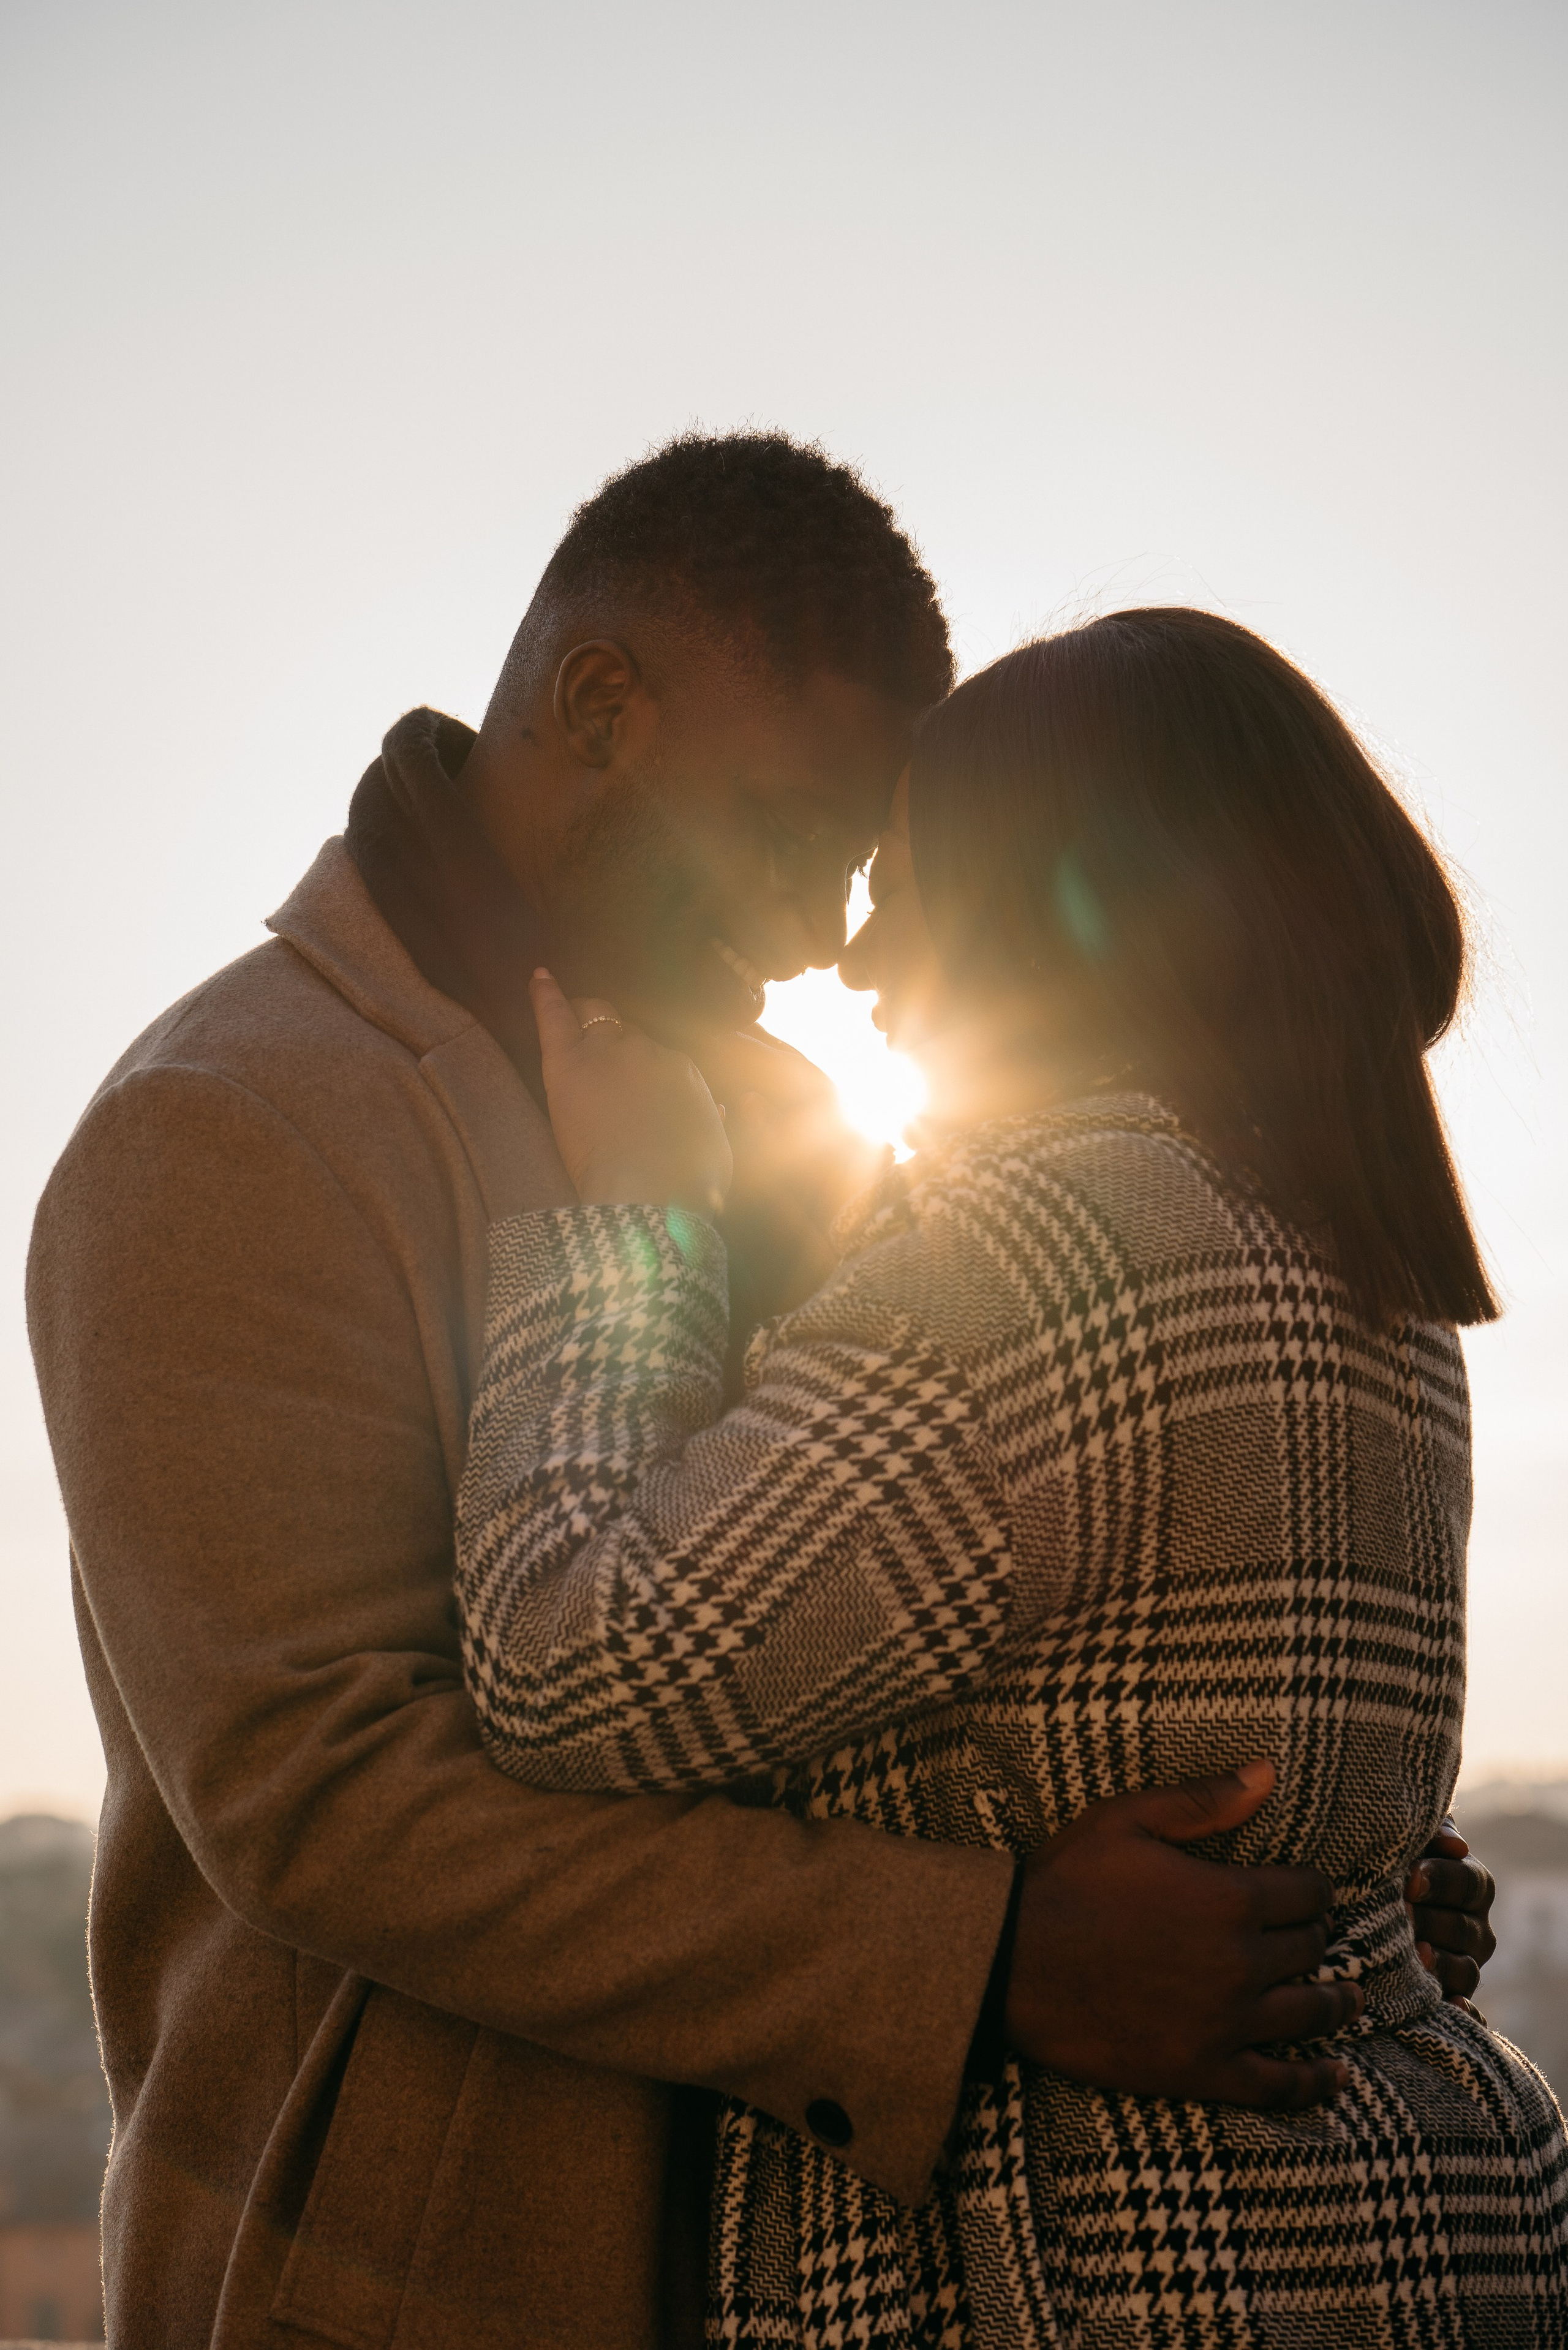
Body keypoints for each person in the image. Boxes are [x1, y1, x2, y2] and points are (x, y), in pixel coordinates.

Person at [26, 440, 1493, 2350]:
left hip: (875, 2261)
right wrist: (984, 1965)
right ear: (599, 705)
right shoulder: (228, 1123)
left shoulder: (798, 1118)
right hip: (432, 2282)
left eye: (868, 862)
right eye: (794, 834)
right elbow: (324, 1799)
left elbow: (912, 1606)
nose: (822, 935)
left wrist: (1304, 1886)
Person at [451, 605, 1561, 2344]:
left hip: (1090, 2267)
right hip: (1383, 2232)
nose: (863, 959)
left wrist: (624, 1225)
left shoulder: (1048, 1252)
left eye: (905, 881)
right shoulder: (1359, 1259)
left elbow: (568, 1659)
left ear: (1055, 894)